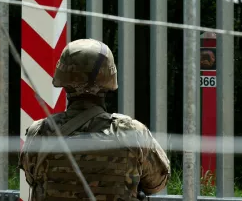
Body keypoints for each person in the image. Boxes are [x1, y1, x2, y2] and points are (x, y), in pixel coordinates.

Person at [19, 39, 170, 201]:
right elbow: (157, 183)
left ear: (63, 79)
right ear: (109, 79)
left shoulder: (40, 131)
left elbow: (31, 178)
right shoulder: (132, 132)